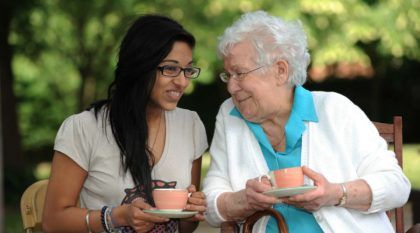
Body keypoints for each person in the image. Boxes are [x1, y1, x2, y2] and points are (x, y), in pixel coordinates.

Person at [202, 10, 410, 233]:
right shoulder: (230, 114)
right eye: (228, 75)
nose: (231, 87)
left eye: (239, 73)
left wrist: (335, 194)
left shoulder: (335, 110)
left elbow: (397, 185)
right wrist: (243, 200)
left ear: (280, 71)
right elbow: (211, 203)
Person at [43, 14, 208, 233]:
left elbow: (185, 227)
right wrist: (115, 217)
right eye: (170, 68)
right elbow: (52, 221)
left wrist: (191, 211)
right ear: (140, 66)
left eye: (188, 70)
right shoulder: (84, 129)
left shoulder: (191, 125)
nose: (182, 82)